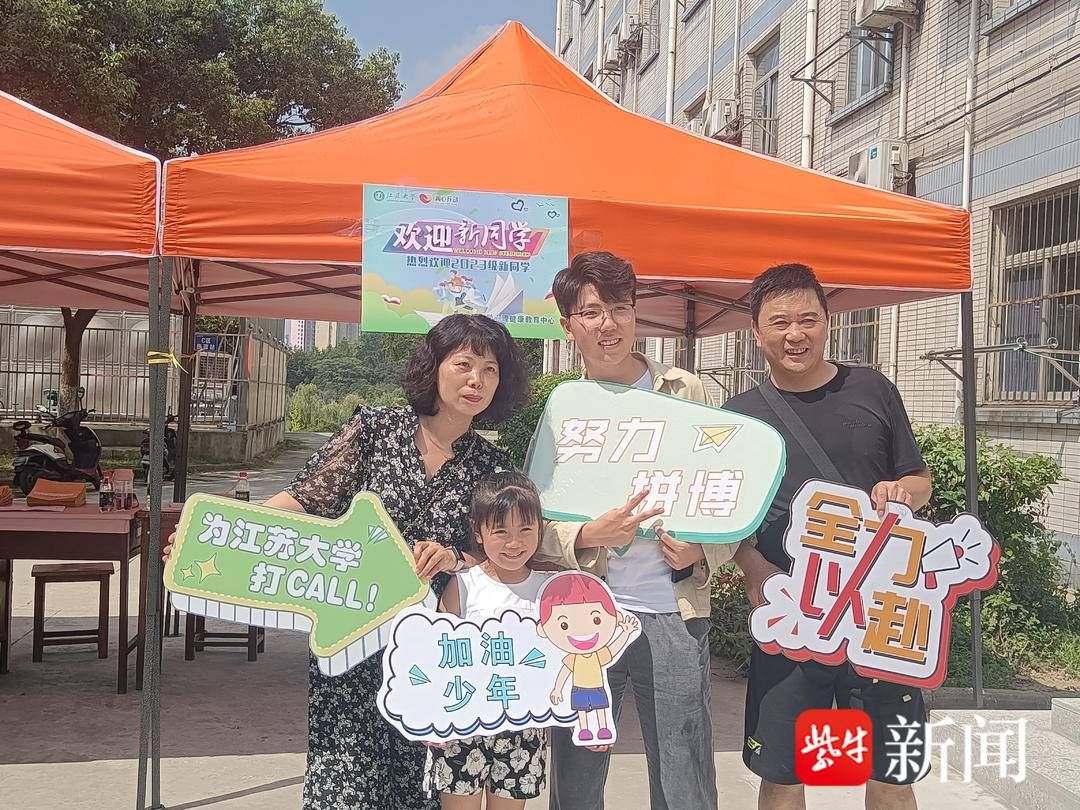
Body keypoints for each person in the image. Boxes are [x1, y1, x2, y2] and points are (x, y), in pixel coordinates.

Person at [166, 314, 528, 810]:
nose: (476, 380)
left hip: (428, 649)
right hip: (350, 633)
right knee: (345, 778)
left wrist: (453, 556)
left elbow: (498, 553)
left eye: (490, 370)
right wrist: (214, 541)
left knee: (418, 783)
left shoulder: (490, 466)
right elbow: (302, 500)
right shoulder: (375, 430)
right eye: (463, 364)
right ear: (435, 367)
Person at [724, 264, 933, 810]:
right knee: (784, 775)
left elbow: (919, 479)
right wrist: (752, 567)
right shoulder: (740, 418)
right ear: (757, 332)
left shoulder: (872, 388)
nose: (795, 334)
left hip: (879, 617)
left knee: (890, 774)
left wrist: (903, 492)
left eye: (808, 320)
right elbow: (724, 519)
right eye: (780, 322)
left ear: (827, 322)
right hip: (794, 613)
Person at [536, 250, 734, 810]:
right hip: (585, 620)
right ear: (568, 324)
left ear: (635, 312)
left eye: (620, 308)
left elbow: (731, 494)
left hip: (675, 614)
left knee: (684, 780)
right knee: (576, 780)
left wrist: (701, 552)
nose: (608, 324)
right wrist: (586, 537)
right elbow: (534, 525)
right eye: (591, 312)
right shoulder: (563, 409)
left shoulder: (685, 391)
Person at [426, 471, 551, 810]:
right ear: (478, 532)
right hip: (463, 720)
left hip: (523, 726)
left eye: (525, 529)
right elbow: (438, 654)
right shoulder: (463, 585)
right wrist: (432, 716)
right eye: (501, 531)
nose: (514, 543)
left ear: (540, 528)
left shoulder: (550, 589)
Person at [539, 573, 639, 743]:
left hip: (597, 687)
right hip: (579, 688)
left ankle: (603, 728)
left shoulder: (597, 653)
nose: (582, 630)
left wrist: (626, 633)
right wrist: (557, 689)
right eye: (564, 625)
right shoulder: (572, 656)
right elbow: (564, 672)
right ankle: (584, 730)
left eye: (596, 620)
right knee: (582, 712)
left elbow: (613, 650)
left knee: (601, 709)